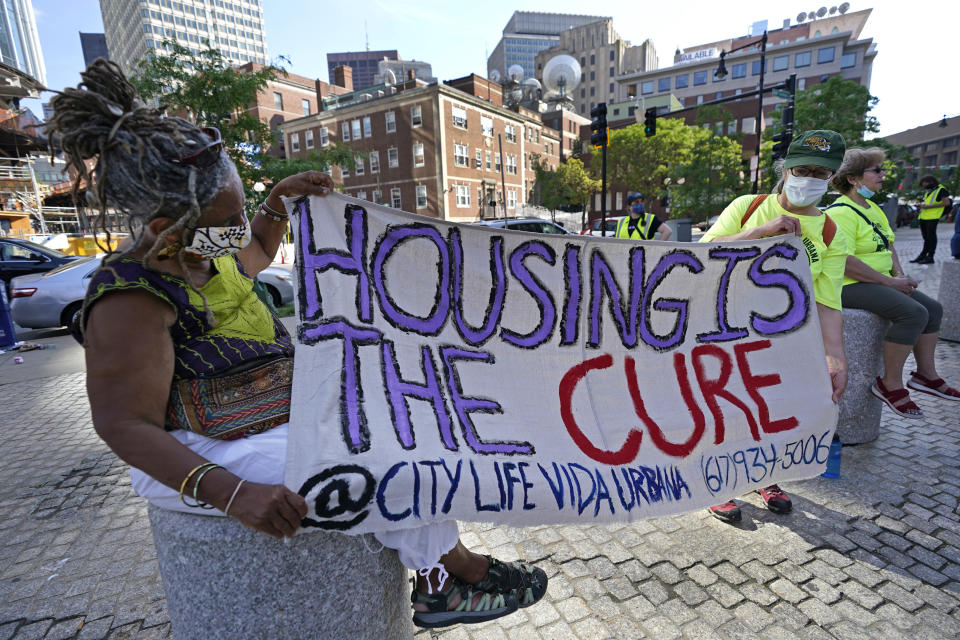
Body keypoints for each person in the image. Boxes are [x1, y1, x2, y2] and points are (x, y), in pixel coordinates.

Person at [48, 60, 546, 631]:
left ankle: (444, 576)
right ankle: (458, 575)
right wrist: (233, 494)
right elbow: (123, 426)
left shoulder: (200, 254)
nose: (238, 227)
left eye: (240, 210)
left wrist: (276, 202)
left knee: (412, 432)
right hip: (204, 446)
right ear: (166, 224)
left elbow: (256, 248)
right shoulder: (129, 299)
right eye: (227, 219)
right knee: (372, 464)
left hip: (270, 420)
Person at [700, 130, 849, 523]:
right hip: (725, 334)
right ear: (785, 170)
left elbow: (828, 301)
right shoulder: (749, 207)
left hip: (782, 341)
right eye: (803, 169)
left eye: (822, 173)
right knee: (725, 408)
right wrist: (758, 233)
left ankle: (767, 476)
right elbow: (697, 255)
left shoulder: (832, 231)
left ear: (832, 179)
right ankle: (719, 483)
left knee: (772, 411)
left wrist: (836, 357)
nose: (810, 180)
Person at [825, 148, 960, 417]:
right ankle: (890, 384)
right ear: (853, 179)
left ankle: (926, 375)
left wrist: (899, 276)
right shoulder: (841, 212)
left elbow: (888, 247)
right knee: (913, 313)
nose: (883, 175)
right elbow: (844, 261)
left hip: (877, 281)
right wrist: (888, 282)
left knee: (933, 309)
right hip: (848, 285)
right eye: (876, 170)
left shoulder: (873, 208)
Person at [911, 175, 951, 264]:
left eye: (924, 184)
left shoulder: (941, 190)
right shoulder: (929, 191)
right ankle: (923, 255)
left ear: (931, 182)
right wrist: (921, 206)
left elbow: (946, 203)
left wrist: (928, 207)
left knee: (931, 237)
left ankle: (930, 257)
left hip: (933, 217)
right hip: (924, 216)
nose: (923, 186)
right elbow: (929, 203)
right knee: (926, 238)